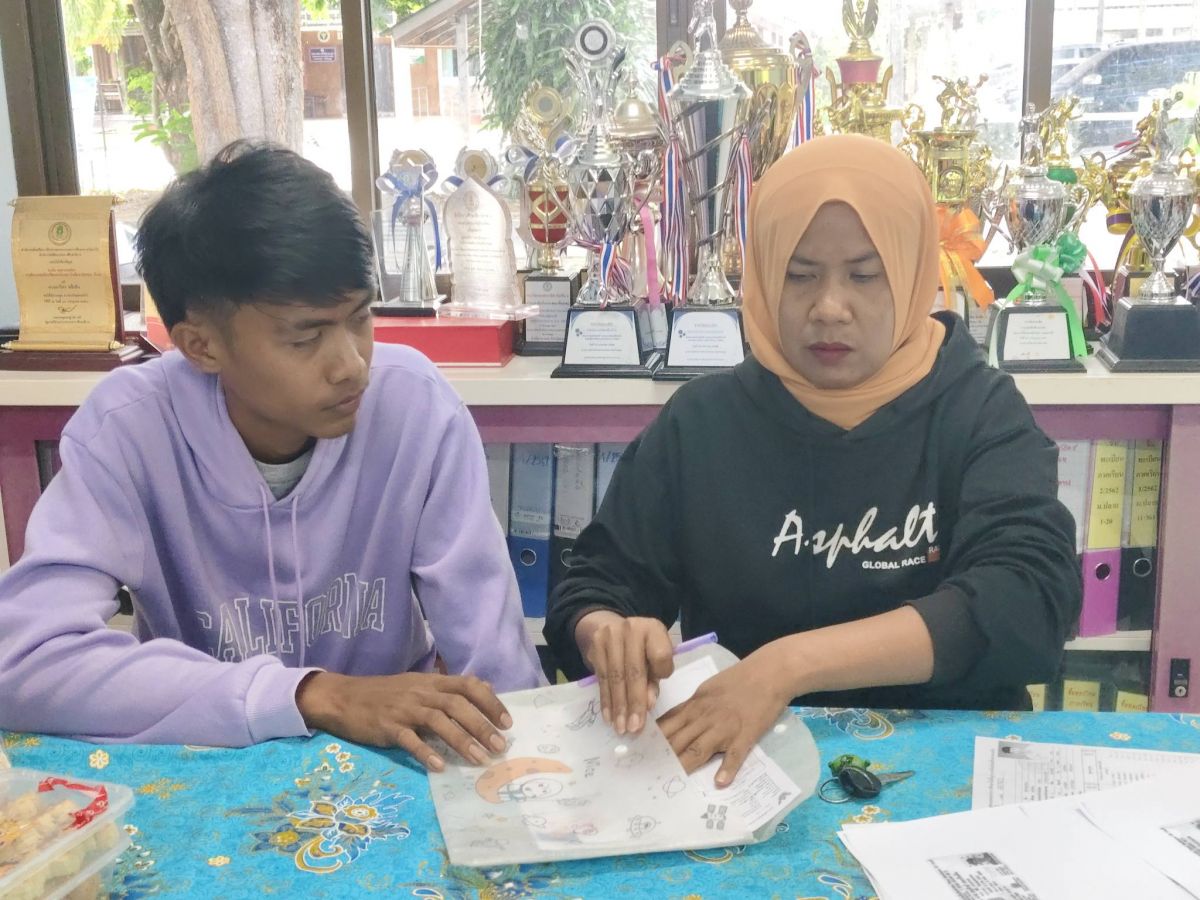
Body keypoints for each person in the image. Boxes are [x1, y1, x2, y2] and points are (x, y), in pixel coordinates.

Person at [546, 135, 1081, 787]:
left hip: (948, 761)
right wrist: (609, 632)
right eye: (799, 275)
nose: (829, 308)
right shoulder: (702, 423)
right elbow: (596, 584)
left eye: (864, 275)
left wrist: (788, 666)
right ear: (765, 274)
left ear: (911, 269)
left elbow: (1027, 603)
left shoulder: (979, 410)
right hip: (751, 768)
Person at [0, 143, 543, 768]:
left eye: (360, 317)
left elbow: (495, 661)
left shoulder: (416, 408)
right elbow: (24, 661)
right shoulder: (128, 430)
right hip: (212, 764)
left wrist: (528, 767)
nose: (352, 365)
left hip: (393, 760)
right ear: (201, 346)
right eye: (306, 337)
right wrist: (308, 695)